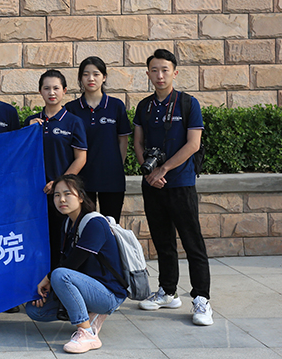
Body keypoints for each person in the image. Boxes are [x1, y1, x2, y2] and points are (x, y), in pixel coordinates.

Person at [133, 49, 212, 326]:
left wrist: (163, 169)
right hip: (153, 185)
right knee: (163, 241)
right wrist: (149, 172)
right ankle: (167, 291)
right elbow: (138, 142)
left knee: (192, 243)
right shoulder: (144, 106)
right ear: (148, 74)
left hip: (181, 183)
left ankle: (201, 299)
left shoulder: (188, 103)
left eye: (165, 70)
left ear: (174, 73)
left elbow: (193, 144)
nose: (160, 75)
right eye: (154, 70)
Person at [25, 175, 127, 354]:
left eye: (67, 194)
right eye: (57, 195)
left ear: (80, 197)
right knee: (34, 310)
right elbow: (64, 262)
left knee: (59, 274)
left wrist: (49, 278)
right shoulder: (68, 224)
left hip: (109, 293)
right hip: (85, 287)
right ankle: (89, 315)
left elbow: (73, 263)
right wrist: (49, 291)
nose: (61, 199)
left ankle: (87, 333)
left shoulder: (95, 223)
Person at [25, 69, 87, 270]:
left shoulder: (73, 121)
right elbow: (21, 156)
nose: (51, 92)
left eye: (56, 88)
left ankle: (59, 279)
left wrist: (60, 184)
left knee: (62, 239)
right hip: (36, 193)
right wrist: (27, 130)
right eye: (46, 88)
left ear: (64, 91)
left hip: (62, 193)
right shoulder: (31, 122)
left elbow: (81, 158)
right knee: (38, 239)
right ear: (40, 91)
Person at [64, 57, 131, 222]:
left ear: (104, 77)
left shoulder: (116, 106)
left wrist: (117, 165)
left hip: (112, 178)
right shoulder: (71, 108)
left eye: (96, 74)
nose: (91, 78)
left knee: (112, 225)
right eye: (86, 74)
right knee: (85, 225)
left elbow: (123, 140)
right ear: (80, 78)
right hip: (82, 179)